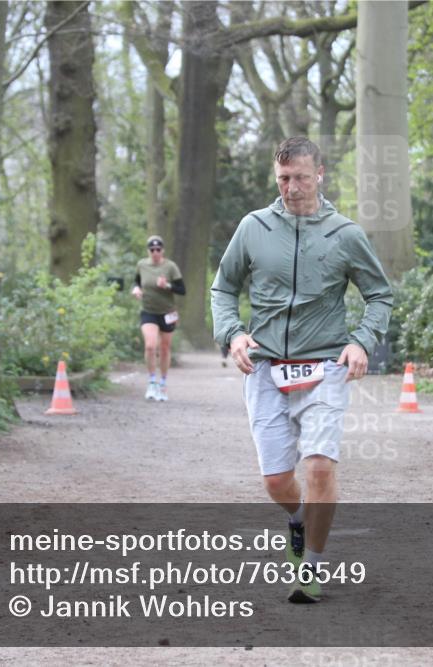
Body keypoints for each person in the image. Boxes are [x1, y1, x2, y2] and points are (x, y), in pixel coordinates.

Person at [211, 137, 393, 603]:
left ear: (321, 174)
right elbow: (223, 288)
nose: (292, 188)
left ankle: (309, 568)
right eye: (284, 179)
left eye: (301, 178)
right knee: (276, 481)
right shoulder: (253, 228)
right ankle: (297, 519)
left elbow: (379, 295)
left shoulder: (345, 234)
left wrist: (360, 342)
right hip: (266, 366)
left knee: (317, 466)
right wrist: (232, 334)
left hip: (326, 365)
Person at [132, 235, 185, 401]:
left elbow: (182, 290)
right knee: (150, 346)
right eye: (152, 249)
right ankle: (152, 382)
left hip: (167, 313)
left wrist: (167, 285)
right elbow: (137, 282)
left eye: (158, 249)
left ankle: (163, 383)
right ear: (148, 251)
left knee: (164, 348)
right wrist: (135, 289)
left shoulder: (170, 266)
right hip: (148, 311)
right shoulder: (141, 265)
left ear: (162, 250)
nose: (155, 252)